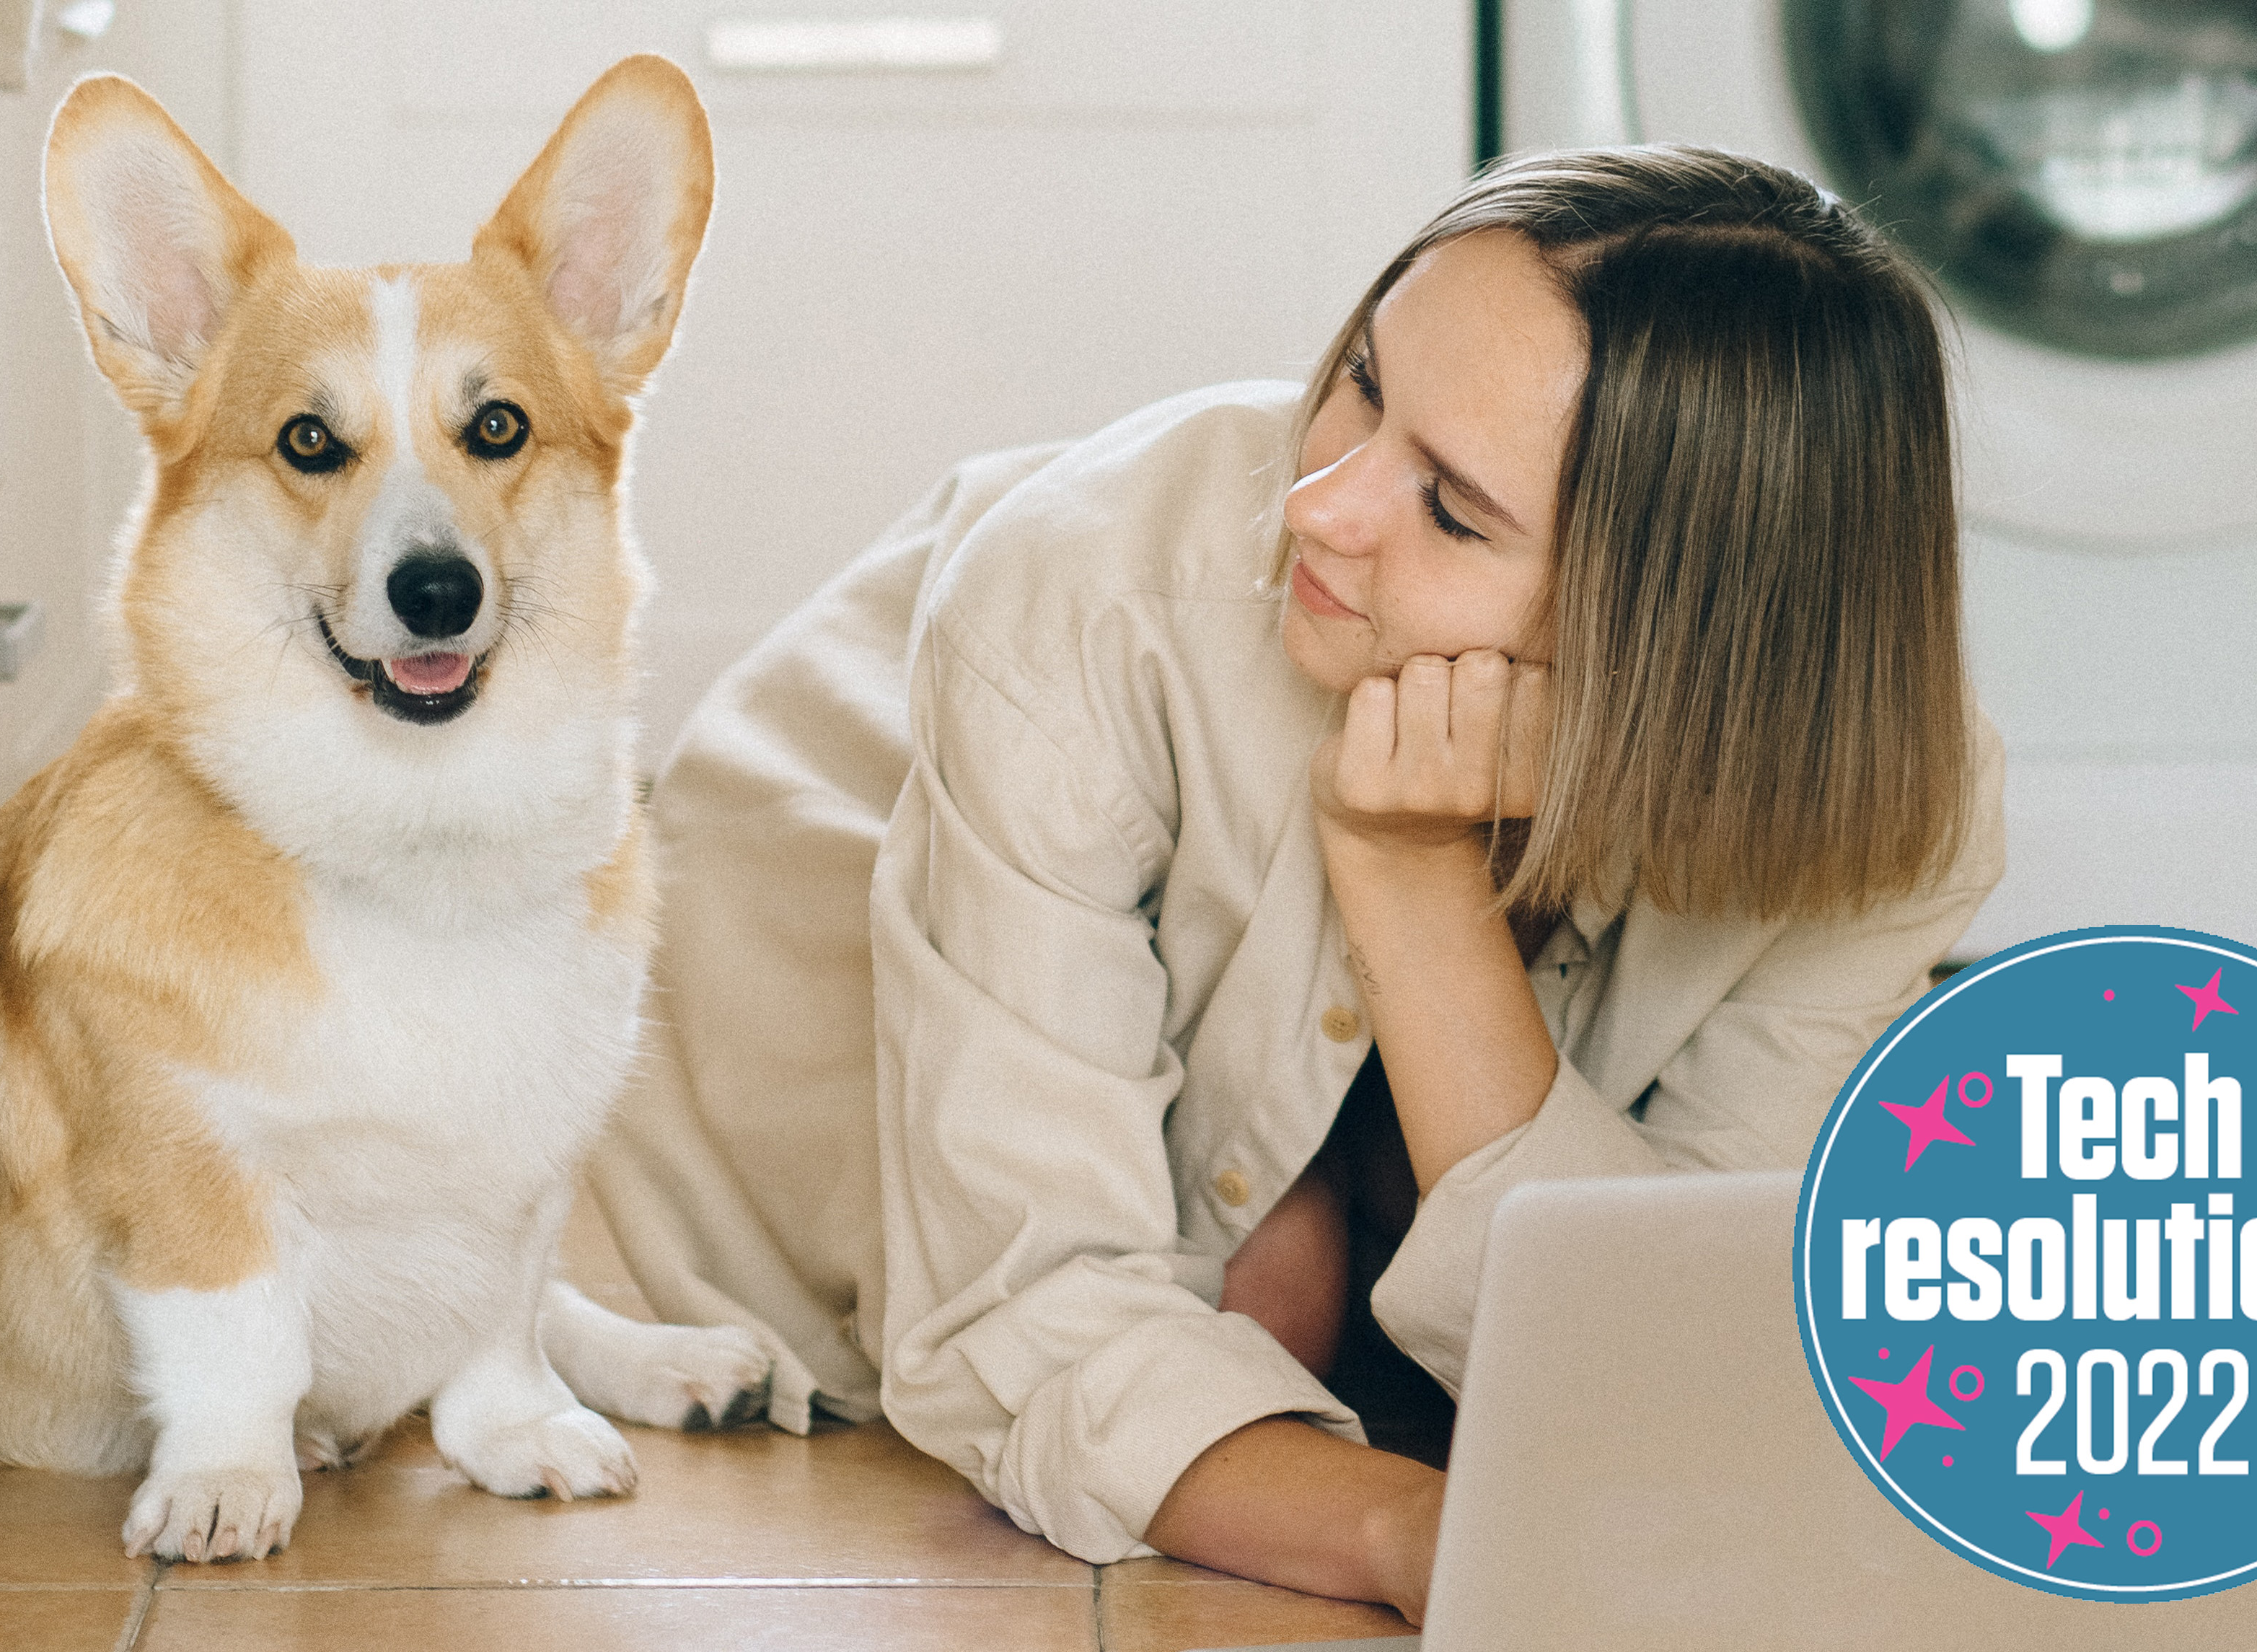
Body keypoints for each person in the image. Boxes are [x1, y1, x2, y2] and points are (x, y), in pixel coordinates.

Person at [576, 146, 2004, 1622]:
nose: (1318, 503)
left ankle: (1323, 1232)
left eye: (1450, 508)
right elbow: (1026, 1305)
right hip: (811, 942)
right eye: (1364, 379)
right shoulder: (1084, 591)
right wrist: (1414, 1533)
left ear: (1678, 630)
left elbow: (1672, 1367)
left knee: (1292, 1276)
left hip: (1319, 1042)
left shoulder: (1887, 796)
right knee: (1253, 1279)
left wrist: (1408, 876)